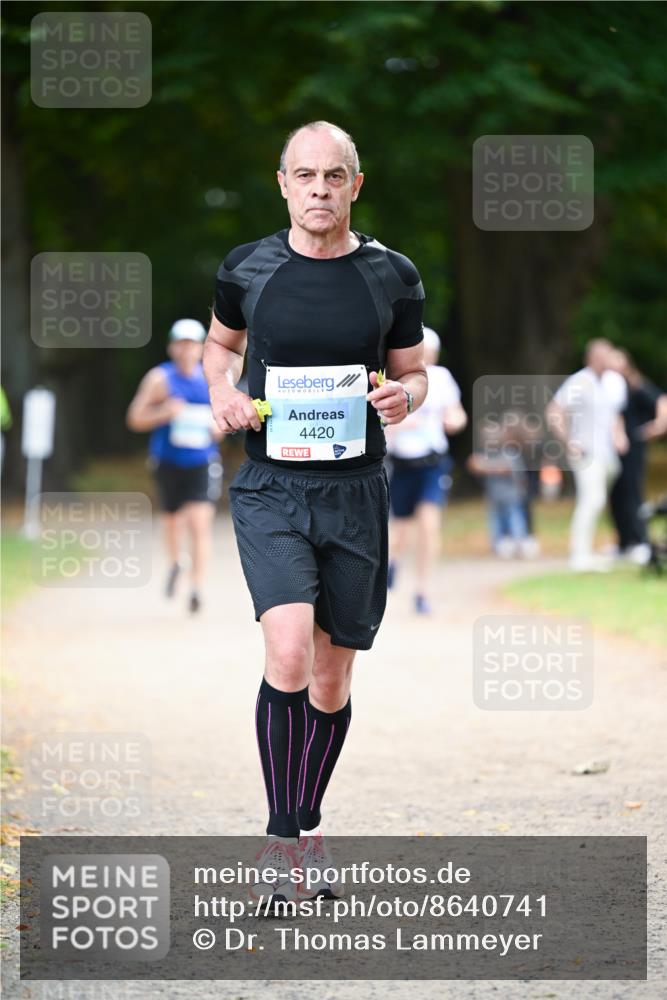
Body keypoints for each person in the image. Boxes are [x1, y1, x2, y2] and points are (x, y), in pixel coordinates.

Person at [203, 121, 427, 905]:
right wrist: (222, 395)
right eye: (306, 176)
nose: (320, 190)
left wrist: (408, 395)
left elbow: (414, 370)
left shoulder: (390, 275)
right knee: (289, 652)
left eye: (334, 176)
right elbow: (217, 347)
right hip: (271, 486)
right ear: (283, 183)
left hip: (357, 490)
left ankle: (310, 827)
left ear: (354, 185)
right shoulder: (247, 268)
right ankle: (279, 840)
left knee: (331, 680)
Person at [126, 318, 223, 612]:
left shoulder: (211, 379)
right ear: (171, 347)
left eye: (192, 343)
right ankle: (176, 563)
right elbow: (135, 418)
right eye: (181, 343)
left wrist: (218, 428)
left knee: (199, 523)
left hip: (202, 461)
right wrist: (165, 412)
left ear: (202, 348)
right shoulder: (160, 379)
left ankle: (196, 587)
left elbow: (224, 422)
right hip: (167, 461)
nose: (186, 349)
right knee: (172, 521)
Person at [384, 326, 467, 613]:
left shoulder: (442, 379)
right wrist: (404, 423)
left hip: (432, 462)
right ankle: (392, 563)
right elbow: (383, 424)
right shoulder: (390, 378)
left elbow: (456, 413)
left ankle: (422, 591)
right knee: (402, 529)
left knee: (429, 525)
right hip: (403, 462)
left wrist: (454, 420)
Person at [546, 339, 628, 572]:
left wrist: (620, 435)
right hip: (585, 451)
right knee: (592, 499)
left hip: (608, 453)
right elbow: (554, 411)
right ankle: (579, 554)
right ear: (590, 358)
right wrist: (568, 441)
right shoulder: (579, 381)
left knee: (600, 500)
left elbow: (616, 415)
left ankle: (590, 550)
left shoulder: (616, 382)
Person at [607, 347, 667, 564]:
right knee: (616, 496)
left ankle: (640, 540)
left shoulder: (637, 385)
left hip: (633, 450)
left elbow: (662, 401)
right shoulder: (611, 388)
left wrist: (656, 427)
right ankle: (624, 542)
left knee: (632, 493)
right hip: (613, 451)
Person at [467, 414, 532, 558]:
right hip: (494, 495)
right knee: (495, 521)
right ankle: (497, 546)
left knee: (515, 519)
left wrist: (484, 466)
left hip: (512, 495)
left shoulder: (510, 453)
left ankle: (519, 545)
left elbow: (505, 469)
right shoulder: (488, 454)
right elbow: (474, 465)